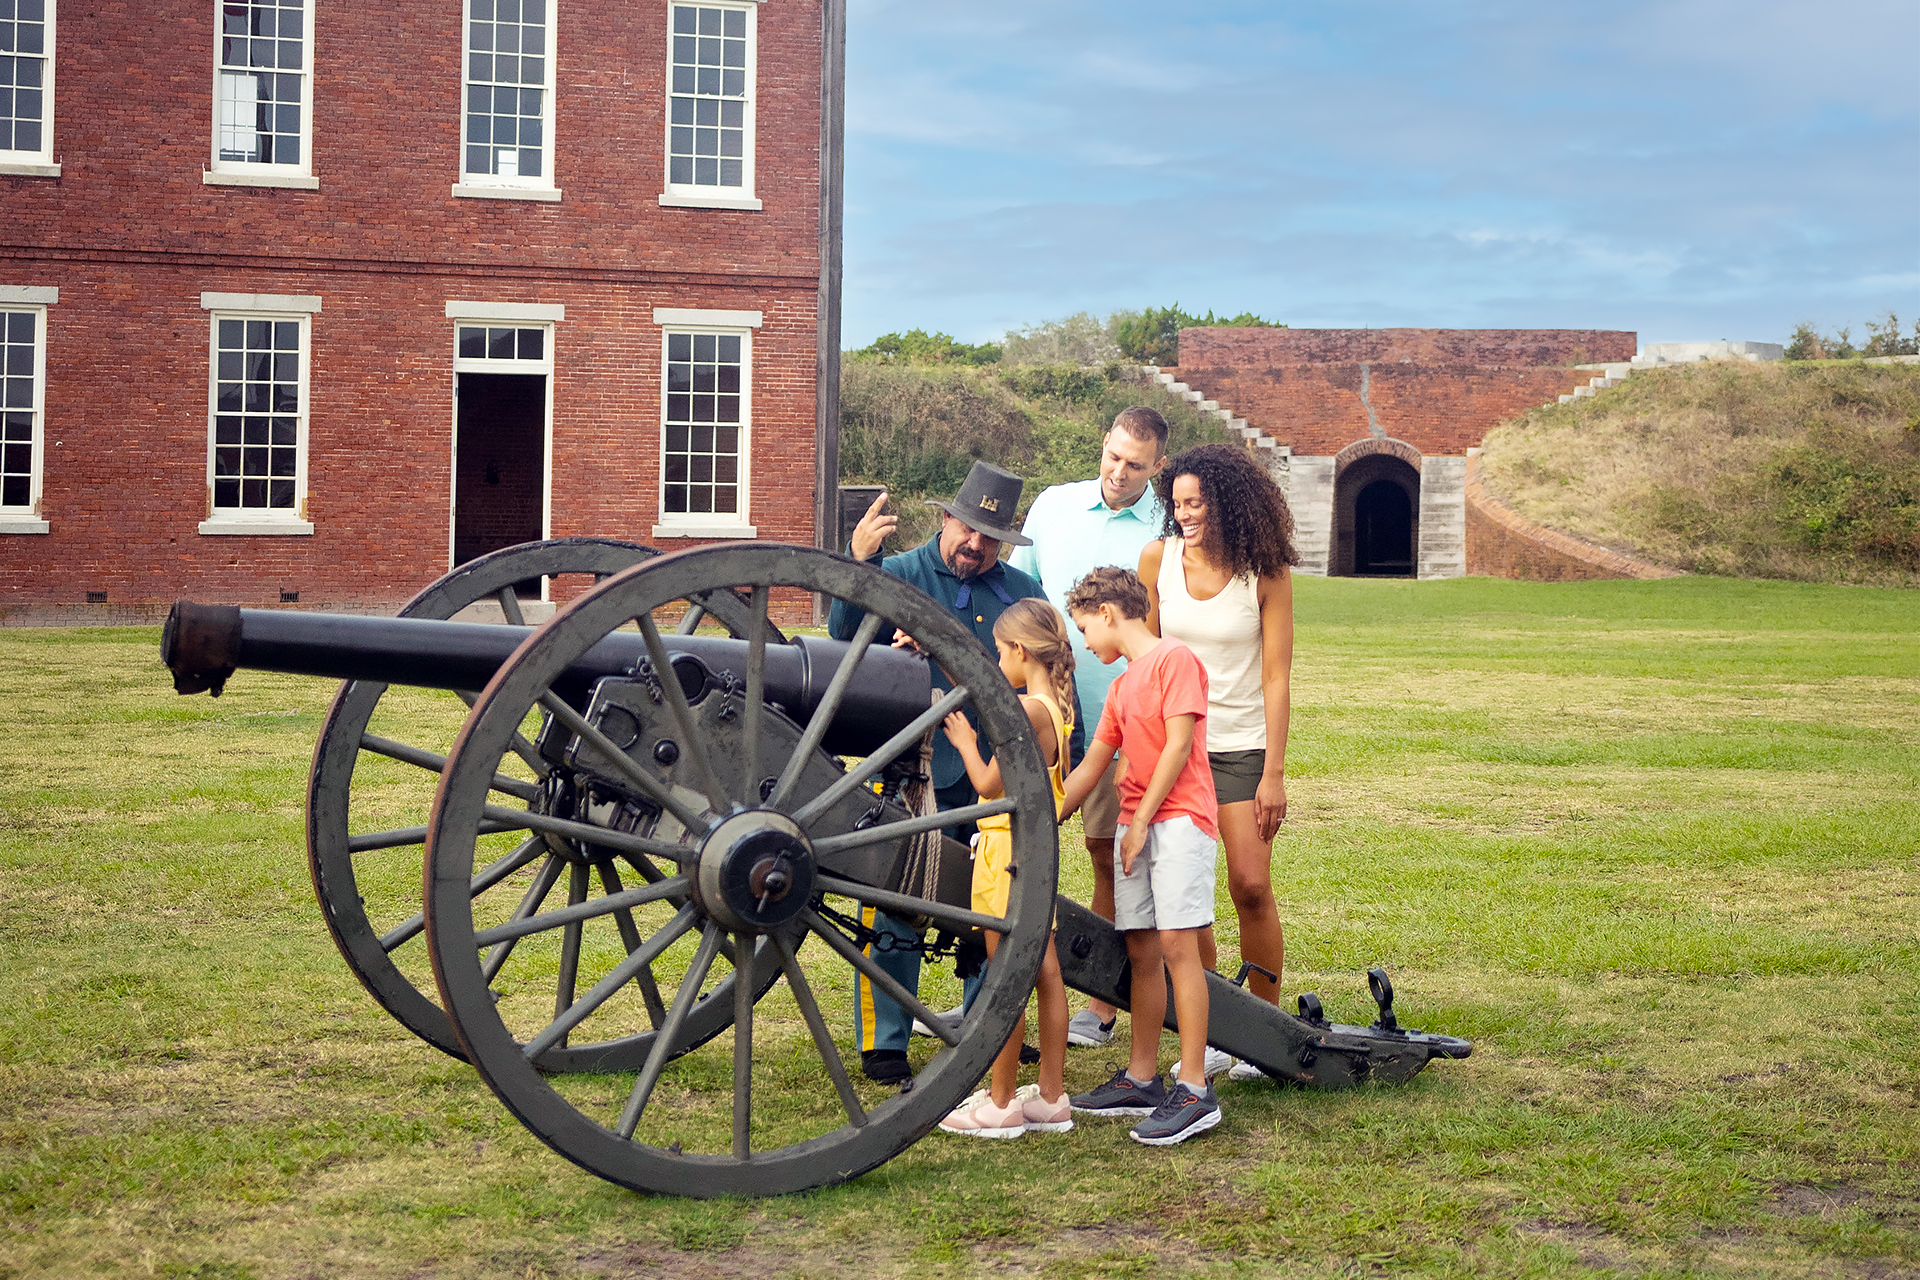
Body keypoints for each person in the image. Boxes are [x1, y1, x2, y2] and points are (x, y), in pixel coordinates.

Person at [828, 460, 1048, 1084]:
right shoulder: (896, 573)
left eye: (990, 540)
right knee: (894, 898)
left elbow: (1051, 675)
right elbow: (843, 634)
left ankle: (990, 1023)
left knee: (990, 903)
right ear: (945, 519)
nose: (975, 547)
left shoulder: (1022, 596)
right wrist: (858, 561)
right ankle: (885, 1041)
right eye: (967, 531)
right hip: (907, 764)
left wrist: (1066, 756)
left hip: (989, 772)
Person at [1005, 406, 1170, 1049]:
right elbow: (1021, 598)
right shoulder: (1053, 506)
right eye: (1113, 457)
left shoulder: (1165, 524)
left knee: (1111, 856)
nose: (1119, 473)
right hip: (1053, 713)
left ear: (1156, 466)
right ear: (1103, 444)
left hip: (1128, 716)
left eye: (1135, 465)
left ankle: (1102, 1005)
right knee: (1038, 846)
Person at [1139, 443, 1297, 1084]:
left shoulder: (1267, 571)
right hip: (1177, 748)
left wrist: (1274, 772)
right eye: (1177, 504)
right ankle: (1218, 1029)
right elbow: (1146, 657)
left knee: (1250, 887)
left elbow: (1277, 676)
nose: (1185, 515)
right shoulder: (1158, 559)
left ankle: (1265, 1025)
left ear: (1229, 501)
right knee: (1189, 898)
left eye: (1197, 502)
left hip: (1241, 748)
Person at [1058, 567, 1223, 1146]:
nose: (1085, 642)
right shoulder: (1123, 687)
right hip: (1138, 823)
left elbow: (1179, 746)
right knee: (1141, 948)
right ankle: (1141, 1077)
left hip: (1179, 820)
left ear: (1108, 613)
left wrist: (1142, 822)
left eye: (1085, 628)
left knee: (1179, 944)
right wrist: (1042, 816)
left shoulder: (1174, 660)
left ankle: (1196, 1088)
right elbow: (1092, 766)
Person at [935, 599, 1075, 1137]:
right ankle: (1051, 1097)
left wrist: (967, 743)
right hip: (1035, 853)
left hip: (1005, 854)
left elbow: (989, 786)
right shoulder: (1053, 708)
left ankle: (1000, 1104)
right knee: (1046, 974)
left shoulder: (1029, 711)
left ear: (1020, 651)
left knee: (1006, 978)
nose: (997, 661)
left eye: (1000, 651)